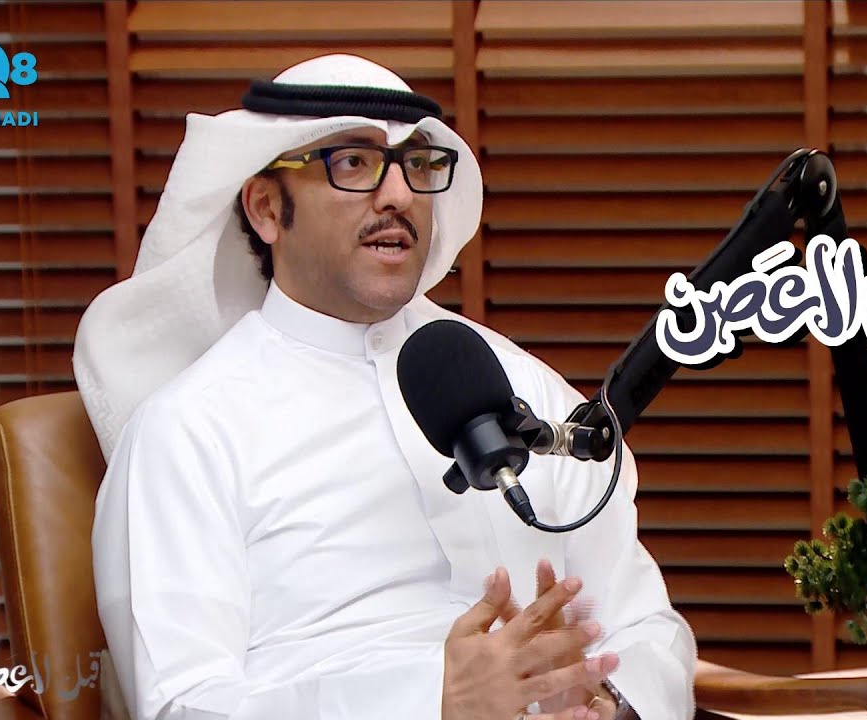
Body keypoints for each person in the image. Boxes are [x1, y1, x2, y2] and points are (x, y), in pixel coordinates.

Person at [75, 54, 696, 720]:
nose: (399, 195)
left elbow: (644, 622)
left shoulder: (525, 388)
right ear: (266, 209)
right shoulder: (189, 432)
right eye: (353, 163)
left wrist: (611, 699)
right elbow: (183, 705)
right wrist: (432, 703)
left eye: (417, 165)